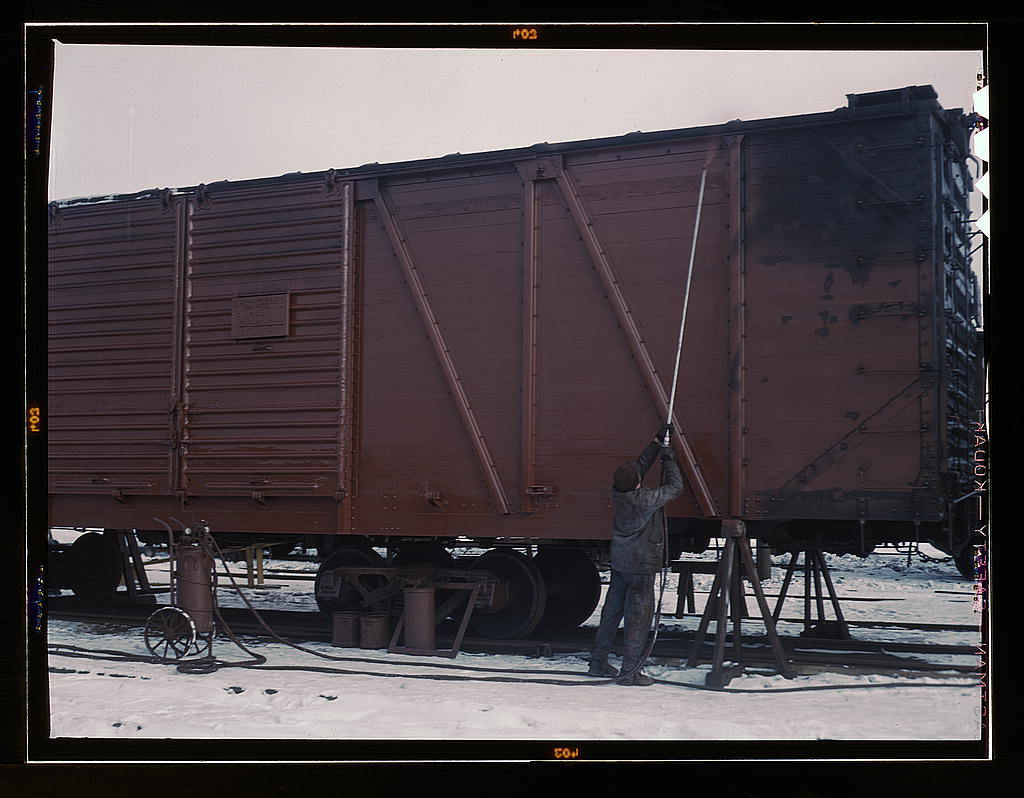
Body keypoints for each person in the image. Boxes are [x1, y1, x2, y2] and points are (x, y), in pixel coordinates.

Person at [588, 424, 684, 686]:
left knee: (611, 613)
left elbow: (638, 467)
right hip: (641, 566)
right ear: (638, 482)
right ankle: (629, 672)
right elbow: (675, 487)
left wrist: (656, 442)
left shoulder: (619, 492)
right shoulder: (645, 500)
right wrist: (669, 458)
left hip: (620, 562)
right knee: (637, 618)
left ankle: (597, 662)